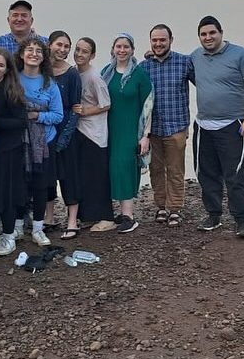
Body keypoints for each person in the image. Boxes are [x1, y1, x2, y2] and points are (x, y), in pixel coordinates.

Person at [189, 17, 244, 237]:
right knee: (206, 173)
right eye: (203, 34)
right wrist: (151, 54)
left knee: (235, 174)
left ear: (221, 33)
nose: (208, 37)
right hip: (203, 125)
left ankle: (242, 220)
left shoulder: (241, 55)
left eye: (212, 33)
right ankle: (214, 215)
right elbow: (176, 64)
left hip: (233, 124)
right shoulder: (195, 57)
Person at [140, 24, 194, 227]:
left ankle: (175, 209)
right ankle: (160, 206)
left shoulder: (184, 62)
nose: (158, 43)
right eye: (154, 40)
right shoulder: (144, 67)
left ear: (171, 40)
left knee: (176, 169)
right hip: (152, 129)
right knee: (156, 169)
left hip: (177, 126)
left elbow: (204, 83)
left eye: (162, 39)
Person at [102, 33, 153, 234]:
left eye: (126, 47)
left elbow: (149, 105)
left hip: (131, 129)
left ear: (132, 50)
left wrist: (145, 135)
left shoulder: (138, 74)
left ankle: (129, 217)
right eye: (118, 46)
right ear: (113, 49)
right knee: (112, 169)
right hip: (108, 128)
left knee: (125, 167)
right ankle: (121, 213)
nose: (121, 50)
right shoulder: (106, 72)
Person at [16, 37, 64, 245]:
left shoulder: (49, 83)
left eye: (38, 51)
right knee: (18, 183)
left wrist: (37, 116)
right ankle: (16, 226)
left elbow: (58, 115)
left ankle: (38, 227)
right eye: (29, 50)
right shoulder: (13, 79)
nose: (33, 54)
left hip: (44, 141)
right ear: (21, 54)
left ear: (43, 57)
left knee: (41, 184)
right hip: (18, 139)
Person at [0, 47, 29, 255]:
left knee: (7, 194)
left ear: (7, 69)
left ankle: (9, 235)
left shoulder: (11, 90)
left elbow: (21, 122)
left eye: (0, 65)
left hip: (8, 150)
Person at [72, 37, 116, 232]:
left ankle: (107, 217)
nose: (80, 54)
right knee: (84, 176)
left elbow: (106, 104)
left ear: (92, 55)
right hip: (80, 131)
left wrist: (85, 111)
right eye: (78, 50)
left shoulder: (94, 77)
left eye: (85, 51)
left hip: (95, 134)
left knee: (98, 177)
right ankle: (89, 216)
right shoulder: (75, 73)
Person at [45, 31, 83, 239]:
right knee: (47, 176)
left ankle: (72, 221)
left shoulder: (72, 74)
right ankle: (48, 218)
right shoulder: (42, 71)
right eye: (59, 45)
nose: (63, 50)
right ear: (50, 45)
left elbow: (76, 108)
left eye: (67, 46)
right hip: (44, 132)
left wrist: (64, 138)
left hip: (66, 130)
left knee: (69, 176)